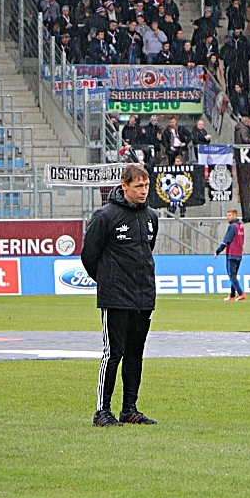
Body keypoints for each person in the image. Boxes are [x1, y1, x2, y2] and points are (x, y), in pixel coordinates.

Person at [81, 163, 160, 427]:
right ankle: (102, 411)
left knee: (136, 353)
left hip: (143, 296)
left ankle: (130, 409)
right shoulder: (105, 216)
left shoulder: (151, 216)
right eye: (138, 186)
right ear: (124, 185)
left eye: (146, 185)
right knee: (113, 353)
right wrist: (109, 281)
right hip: (116, 297)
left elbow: (148, 249)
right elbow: (89, 255)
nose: (143, 191)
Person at [214, 209, 246, 301]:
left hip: (232, 253)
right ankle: (232, 295)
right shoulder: (241, 227)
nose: (227, 217)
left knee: (231, 275)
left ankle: (241, 293)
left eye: (229, 215)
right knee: (234, 275)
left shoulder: (233, 227)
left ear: (234, 216)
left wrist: (218, 251)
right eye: (227, 215)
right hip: (239, 253)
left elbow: (226, 240)